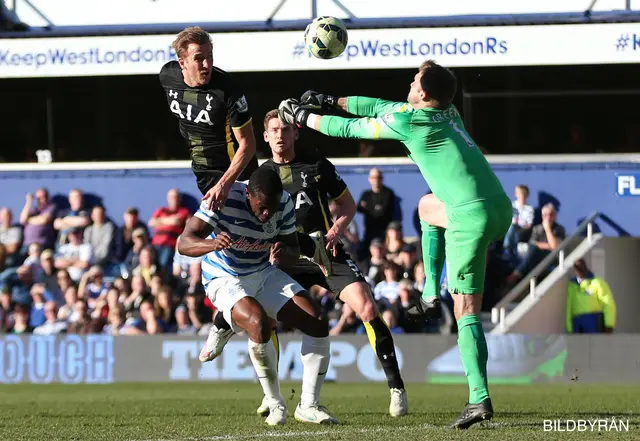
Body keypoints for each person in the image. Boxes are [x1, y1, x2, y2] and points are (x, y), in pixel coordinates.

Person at [277, 59, 512, 429]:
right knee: (426, 206)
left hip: (470, 217)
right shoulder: (446, 111)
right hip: (499, 206)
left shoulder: (409, 121)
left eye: (415, 79)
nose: (410, 81)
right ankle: (431, 292)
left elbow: (351, 129)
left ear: (422, 93)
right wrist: (329, 99)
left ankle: (478, 398)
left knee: (467, 309)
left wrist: (303, 117)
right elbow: (376, 106)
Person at [200, 110, 408, 420]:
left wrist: (338, 227)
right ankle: (268, 391)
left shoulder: (317, 164)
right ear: (265, 136)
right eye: (274, 130)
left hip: (323, 250)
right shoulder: (259, 175)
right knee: (263, 317)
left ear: (296, 133)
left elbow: (348, 205)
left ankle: (396, 388)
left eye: (285, 128)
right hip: (282, 255)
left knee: (365, 307)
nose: (280, 135)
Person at [177, 167, 334, 426]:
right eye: (262, 207)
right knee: (258, 322)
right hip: (224, 276)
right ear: (248, 193)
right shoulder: (223, 197)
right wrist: (211, 244)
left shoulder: (282, 202)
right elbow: (184, 242)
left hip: (262, 272)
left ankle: (308, 405)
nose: (266, 214)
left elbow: (292, 249)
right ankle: (275, 404)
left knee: (316, 321)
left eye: (271, 208)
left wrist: (286, 254)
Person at [159, 26, 257, 211]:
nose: (206, 64)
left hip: (236, 175)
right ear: (182, 63)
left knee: (194, 236)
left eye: (209, 56)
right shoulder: (167, 76)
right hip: (203, 173)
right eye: (198, 58)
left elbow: (248, 144)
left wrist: (224, 184)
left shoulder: (228, 91)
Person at [566, 259, 616, 334]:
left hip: (594, 323)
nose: (580, 269)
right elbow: (569, 308)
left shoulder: (597, 282)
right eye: (577, 268)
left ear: (586, 267)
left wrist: (609, 325)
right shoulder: (572, 286)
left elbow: (608, 304)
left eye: (582, 267)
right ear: (575, 270)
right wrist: (569, 329)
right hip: (577, 324)